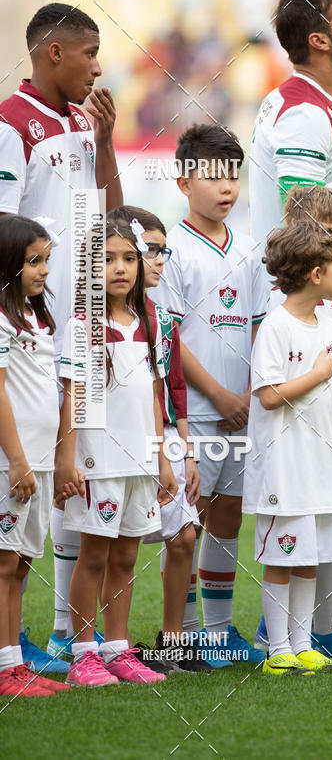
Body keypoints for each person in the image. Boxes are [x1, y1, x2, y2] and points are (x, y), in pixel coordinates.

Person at [0, 2, 122, 670]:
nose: (98, 67)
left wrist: (105, 143)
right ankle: (10, 646)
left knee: (78, 480)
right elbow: (1, 234)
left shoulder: (84, 121)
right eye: (89, 52)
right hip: (32, 341)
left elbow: (113, 213)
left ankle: (58, 637)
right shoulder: (10, 125)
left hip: (87, 330)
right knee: (20, 484)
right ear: (53, 53)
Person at [149, 124, 268, 664]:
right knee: (187, 528)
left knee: (228, 519)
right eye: (213, 175)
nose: (226, 187)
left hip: (244, 412)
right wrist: (220, 396)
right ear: (183, 181)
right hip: (194, 415)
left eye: (233, 176)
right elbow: (169, 336)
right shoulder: (169, 250)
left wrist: (245, 394)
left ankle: (218, 632)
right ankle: (188, 632)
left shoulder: (250, 251)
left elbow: (262, 327)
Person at [54, 212, 178, 687]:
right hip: (96, 460)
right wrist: (67, 459)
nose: (121, 268)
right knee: (94, 555)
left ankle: (118, 650)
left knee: (126, 557)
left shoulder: (153, 321)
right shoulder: (82, 325)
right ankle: (83, 654)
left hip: (140, 460)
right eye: (107, 260)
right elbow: (73, 396)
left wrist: (163, 458)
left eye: (130, 258)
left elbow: (153, 396)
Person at [243, 220, 332, 675]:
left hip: (321, 465)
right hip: (282, 466)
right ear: (316, 274)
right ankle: (278, 651)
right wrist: (315, 373)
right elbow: (270, 395)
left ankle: (302, 644)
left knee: (310, 557)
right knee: (282, 557)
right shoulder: (275, 327)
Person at [110, 205, 212, 675]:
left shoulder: (164, 318)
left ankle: (172, 640)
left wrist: (185, 453)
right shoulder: (101, 317)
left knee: (185, 535)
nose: (156, 260)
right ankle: (109, 645)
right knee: (111, 545)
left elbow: (173, 391)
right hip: (121, 436)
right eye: (148, 250)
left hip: (166, 436)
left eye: (161, 251)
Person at [248, 0, 332, 285]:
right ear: (320, 41)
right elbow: (303, 226)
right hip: (308, 306)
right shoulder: (305, 113)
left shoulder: (314, 103)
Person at [0, 216, 69, 696]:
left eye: (47, 260)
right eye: (33, 261)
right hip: (15, 464)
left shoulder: (38, 316)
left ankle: (14, 663)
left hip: (40, 463)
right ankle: (6, 668)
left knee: (22, 563)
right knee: (4, 564)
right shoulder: (3, 319)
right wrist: (19, 461)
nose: (44, 271)